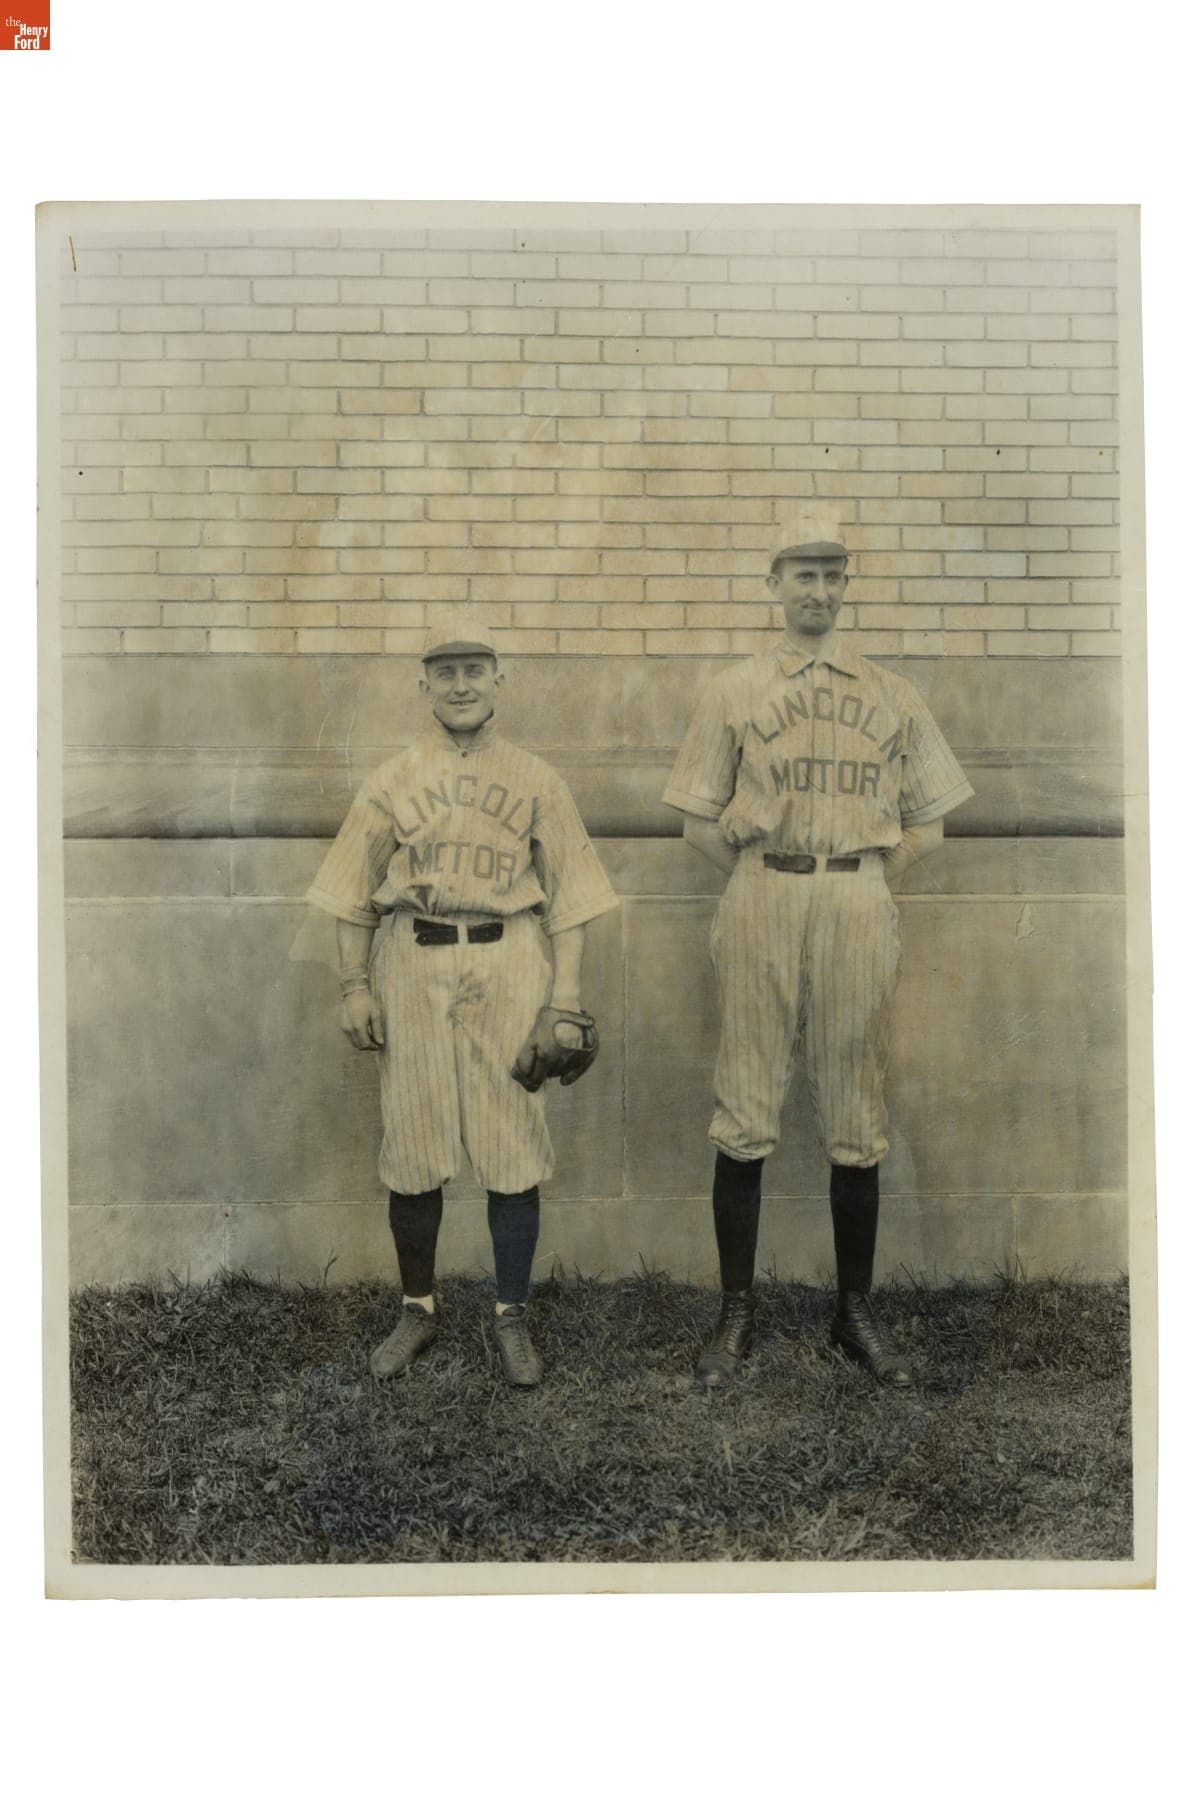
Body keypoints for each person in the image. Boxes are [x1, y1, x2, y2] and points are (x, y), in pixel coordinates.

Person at [663, 513, 974, 1389]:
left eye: (832, 575)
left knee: (856, 1103)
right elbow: (694, 820)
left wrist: (865, 878)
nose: (818, 590)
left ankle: (854, 1311)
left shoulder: (891, 690)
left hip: (856, 894)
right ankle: (736, 1311)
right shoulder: (733, 689)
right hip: (763, 887)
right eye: (801, 574)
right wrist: (765, 873)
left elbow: (934, 822)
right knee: (746, 1097)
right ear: (773, 587)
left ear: (846, 587)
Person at [307, 610, 618, 1387]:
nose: (461, 683)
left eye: (475, 668)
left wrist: (565, 1002)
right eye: (445, 671)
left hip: (510, 956)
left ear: (499, 679)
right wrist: (352, 987)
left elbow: (573, 900)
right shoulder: (393, 777)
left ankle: (511, 1317)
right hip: (412, 958)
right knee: (412, 1146)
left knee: (512, 1141)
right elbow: (349, 894)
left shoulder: (538, 776)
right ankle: (418, 1309)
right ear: (424, 685)